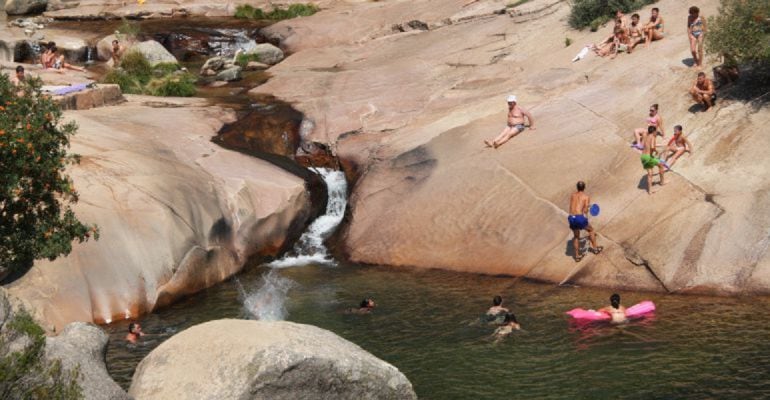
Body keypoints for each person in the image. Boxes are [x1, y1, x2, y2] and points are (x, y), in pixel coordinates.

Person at [568, 181, 602, 262]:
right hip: (579, 217)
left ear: (577, 187)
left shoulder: (573, 195)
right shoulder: (586, 197)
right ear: (584, 187)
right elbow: (585, 210)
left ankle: (577, 256)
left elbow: (573, 206)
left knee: (576, 236)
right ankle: (595, 249)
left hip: (571, 217)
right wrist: (588, 208)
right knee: (591, 230)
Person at [641, 126, 666, 195]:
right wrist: (656, 151)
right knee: (661, 165)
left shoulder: (646, 137)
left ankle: (650, 191)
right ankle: (662, 182)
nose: (656, 133)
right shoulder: (653, 137)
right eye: (656, 132)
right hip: (648, 157)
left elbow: (646, 145)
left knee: (650, 174)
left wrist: (658, 145)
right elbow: (652, 146)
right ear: (654, 132)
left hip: (643, 157)